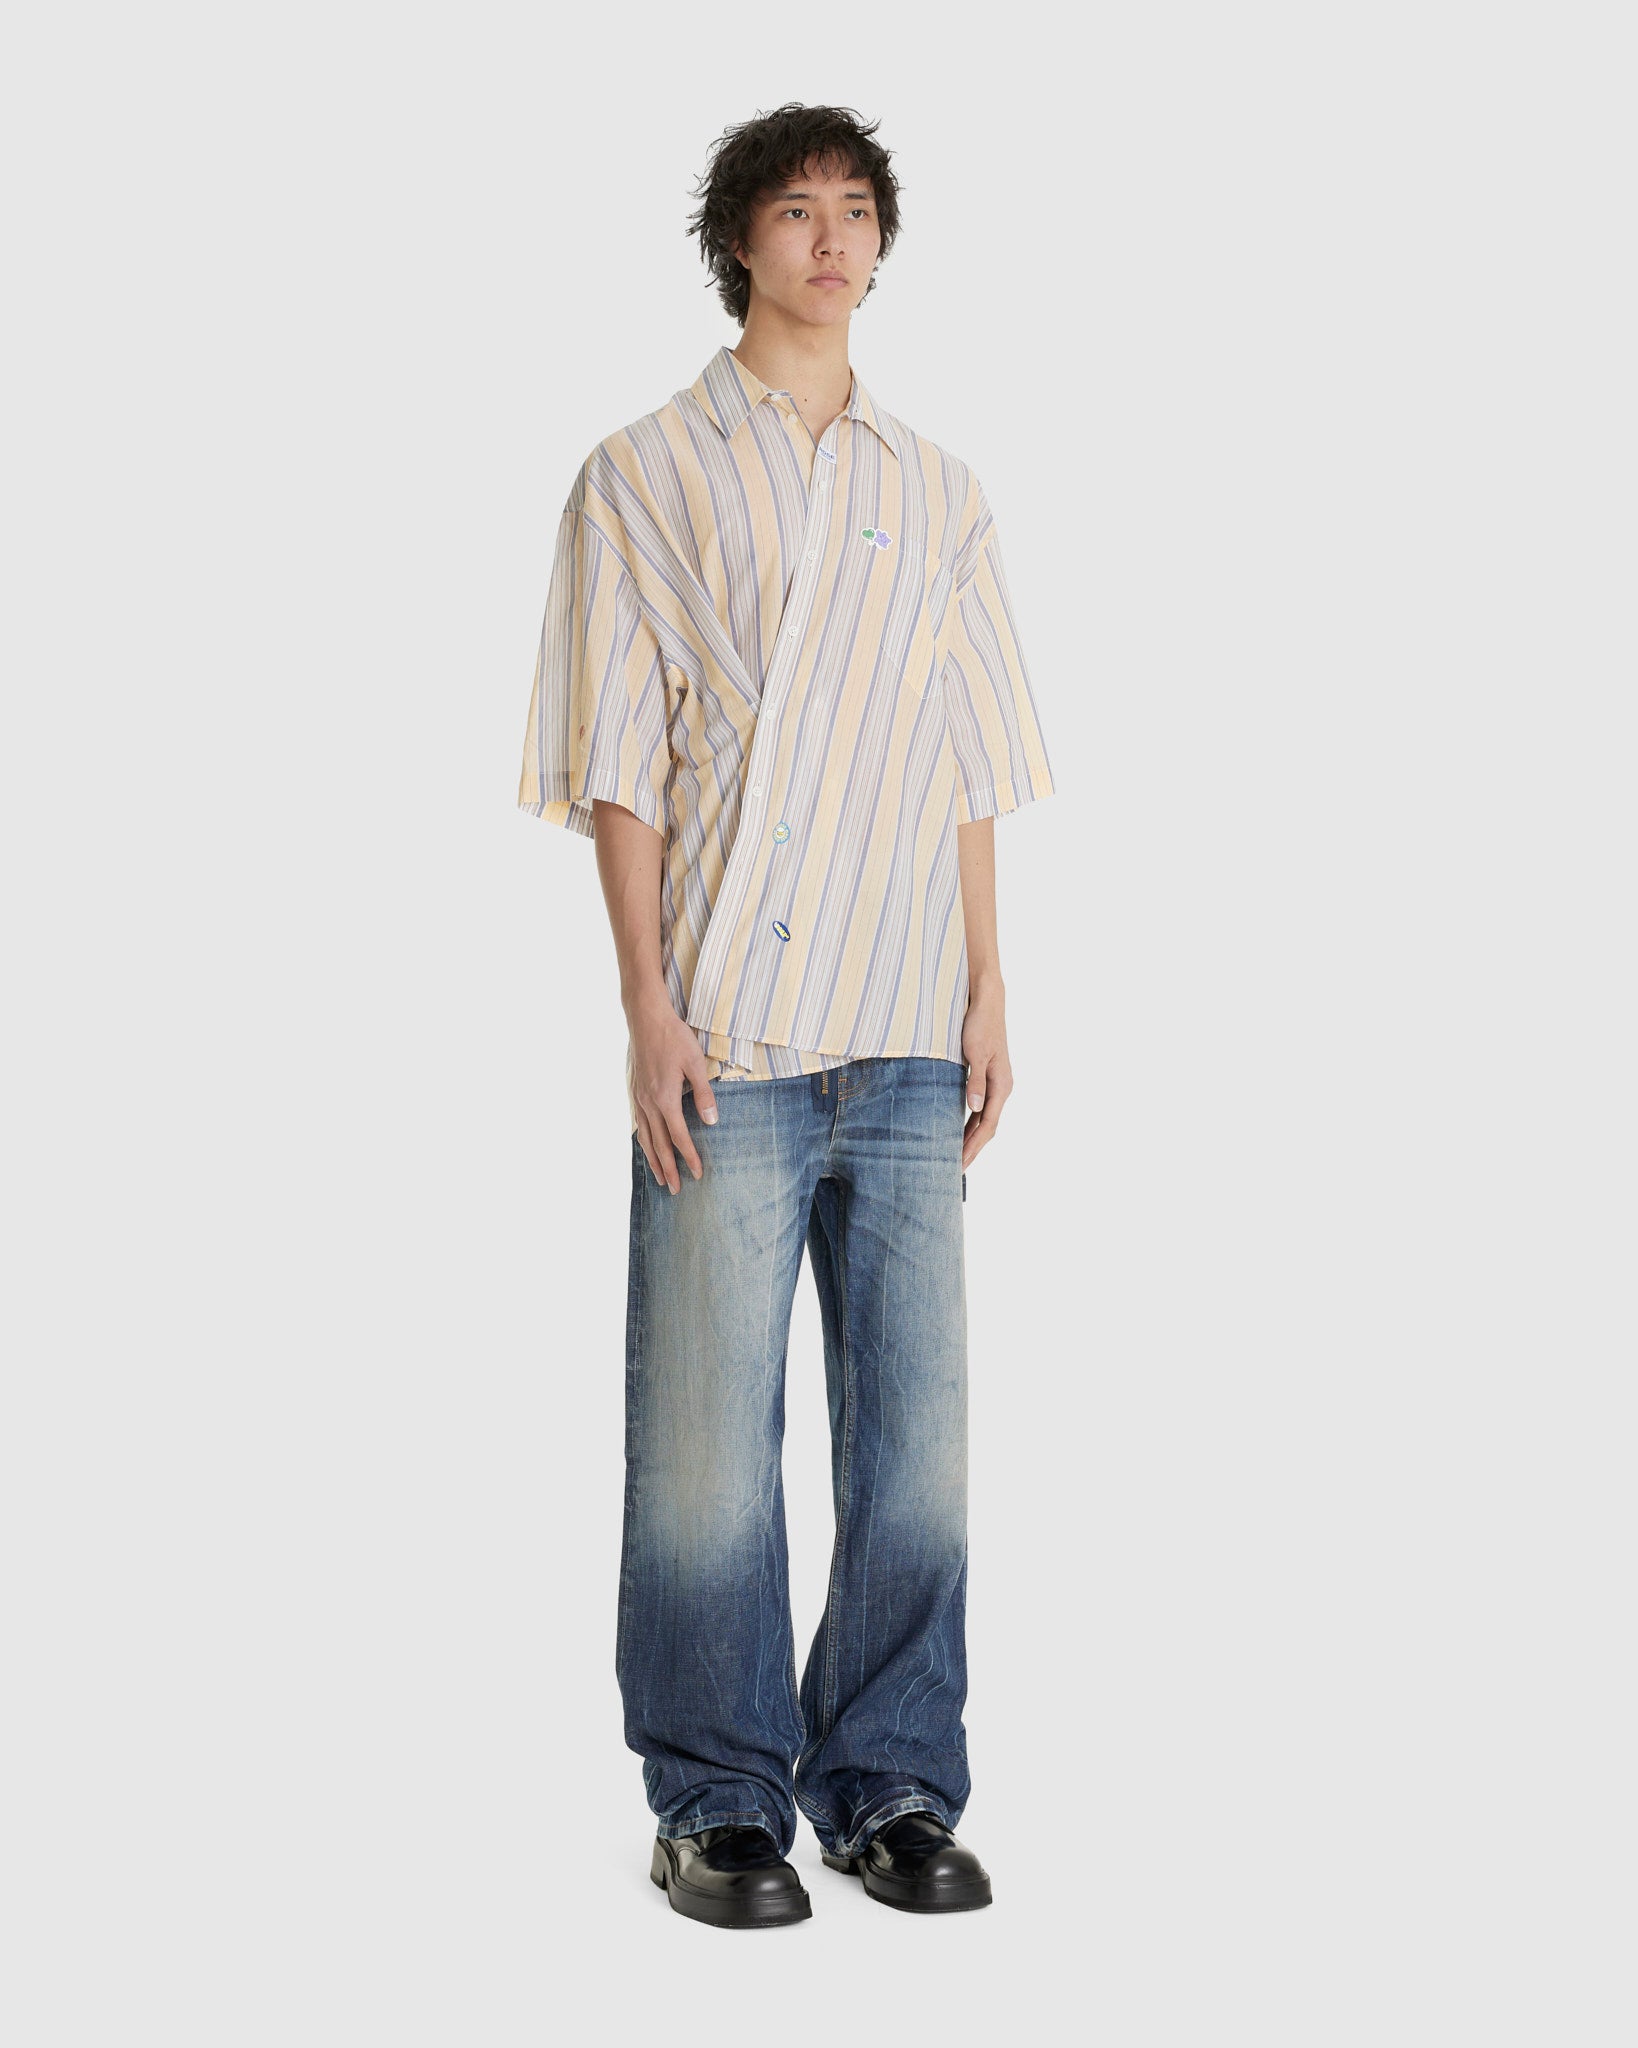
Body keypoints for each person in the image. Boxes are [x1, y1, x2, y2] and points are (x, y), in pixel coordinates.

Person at [515, 102, 1055, 1928]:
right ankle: (716, 1796)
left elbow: (963, 756)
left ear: (881, 244)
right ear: (736, 242)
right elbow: (620, 761)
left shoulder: (938, 489)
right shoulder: (643, 471)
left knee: (918, 1444)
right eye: (795, 210)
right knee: (699, 1450)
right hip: (729, 1032)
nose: (830, 239)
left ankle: (890, 1780)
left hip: (905, 1020)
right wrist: (643, 1003)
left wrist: (988, 981)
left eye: (856, 211)